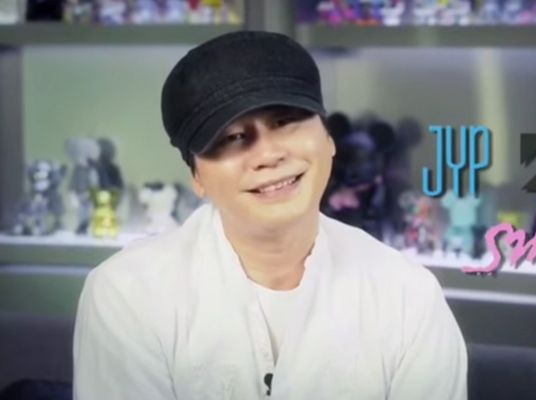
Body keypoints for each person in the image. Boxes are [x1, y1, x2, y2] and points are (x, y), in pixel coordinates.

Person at [72, 30, 468, 400]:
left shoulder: (407, 296)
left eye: (285, 121)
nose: (269, 154)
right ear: (197, 176)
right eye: (232, 137)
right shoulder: (129, 294)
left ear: (328, 138)